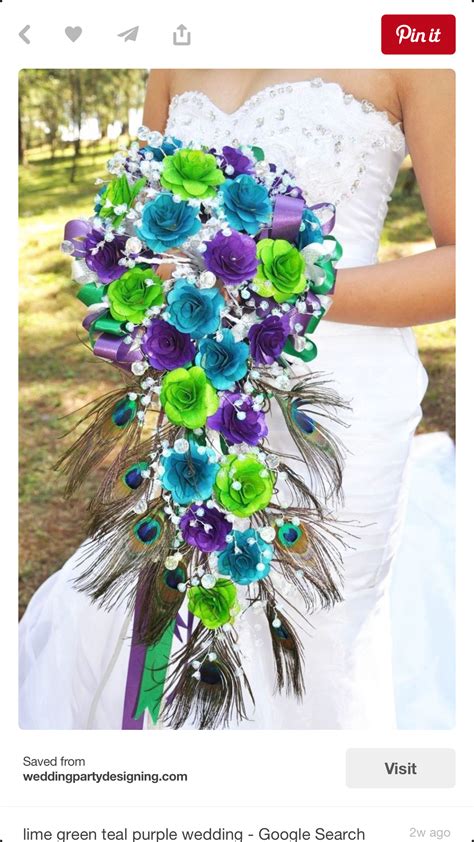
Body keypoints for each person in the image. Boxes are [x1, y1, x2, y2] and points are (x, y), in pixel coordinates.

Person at [19, 69, 455, 729]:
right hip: (196, 395)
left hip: (336, 407)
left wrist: (275, 286)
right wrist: (135, 275)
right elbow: (128, 207)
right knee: (172, 599)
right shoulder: (175, 46)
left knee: (311, 644)